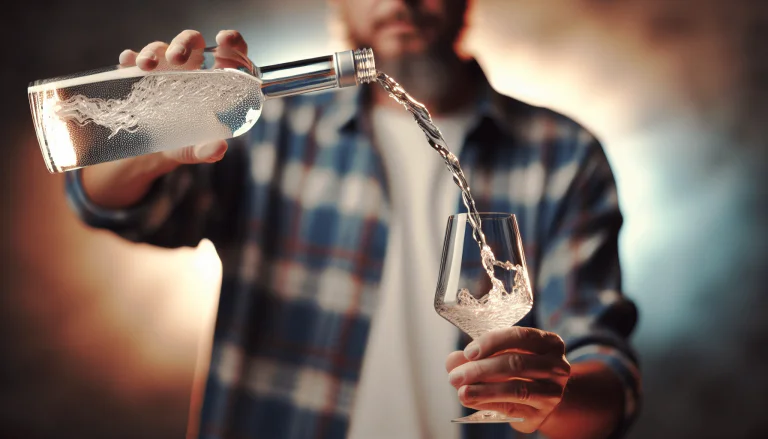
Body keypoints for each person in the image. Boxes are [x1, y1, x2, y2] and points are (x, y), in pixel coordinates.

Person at [65, 0, 640, 438]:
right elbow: (116, 208)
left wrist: (549, 395)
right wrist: (154, 138)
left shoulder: (563, 155)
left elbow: (608, 379)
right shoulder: (269, 127)